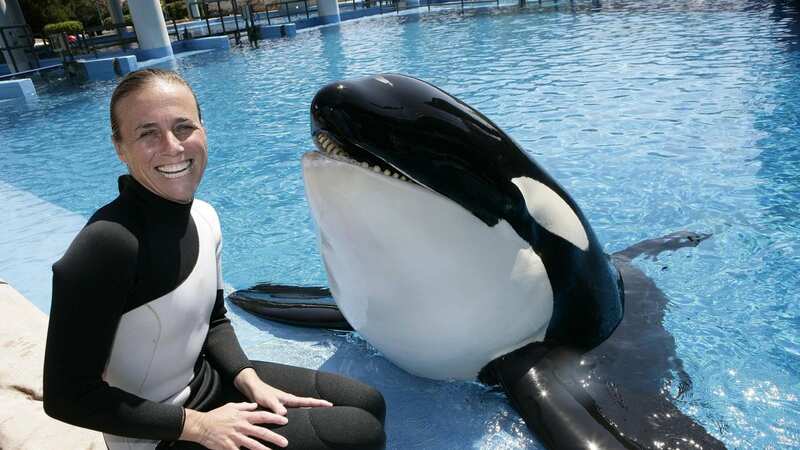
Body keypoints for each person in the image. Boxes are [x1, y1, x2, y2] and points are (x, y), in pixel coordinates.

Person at [43, 68, 386, 450]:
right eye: (147, 133)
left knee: (366, 403)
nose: (172, 146)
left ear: (203, 129)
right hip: (156, 433)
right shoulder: (106, 245)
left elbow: (215, 320)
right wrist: (200, 426)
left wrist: (245, 376)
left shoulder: (203, 216)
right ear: (120, 147)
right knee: (358, 433)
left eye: (183, 127)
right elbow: (67, 397)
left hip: (206, 382)